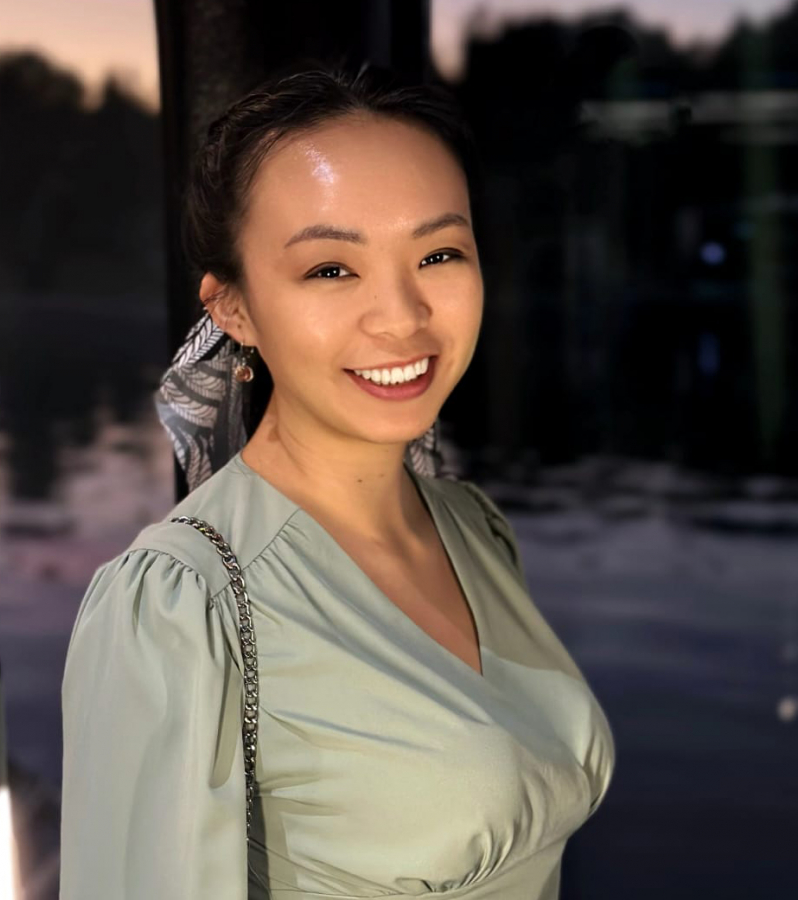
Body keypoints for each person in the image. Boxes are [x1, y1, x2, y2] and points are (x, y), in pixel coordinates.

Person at [60, 65, 615, 900]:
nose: (402, 316)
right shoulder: (182, 605)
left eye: (438, 254)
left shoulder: (471, 525)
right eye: (330, 269)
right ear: (234, 309)